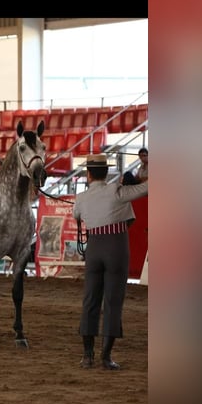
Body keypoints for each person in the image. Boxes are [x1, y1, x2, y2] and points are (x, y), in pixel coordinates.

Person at [73, 154, 148, 369]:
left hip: (94, 247)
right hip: (116, 246)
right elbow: (146, 189)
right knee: (113, 301)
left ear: (88, 174)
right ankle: (106, 357)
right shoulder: (116, 190)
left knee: (90, 300)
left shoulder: (82, 197)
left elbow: (76, 214)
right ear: (107, 173)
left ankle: (87, 356)